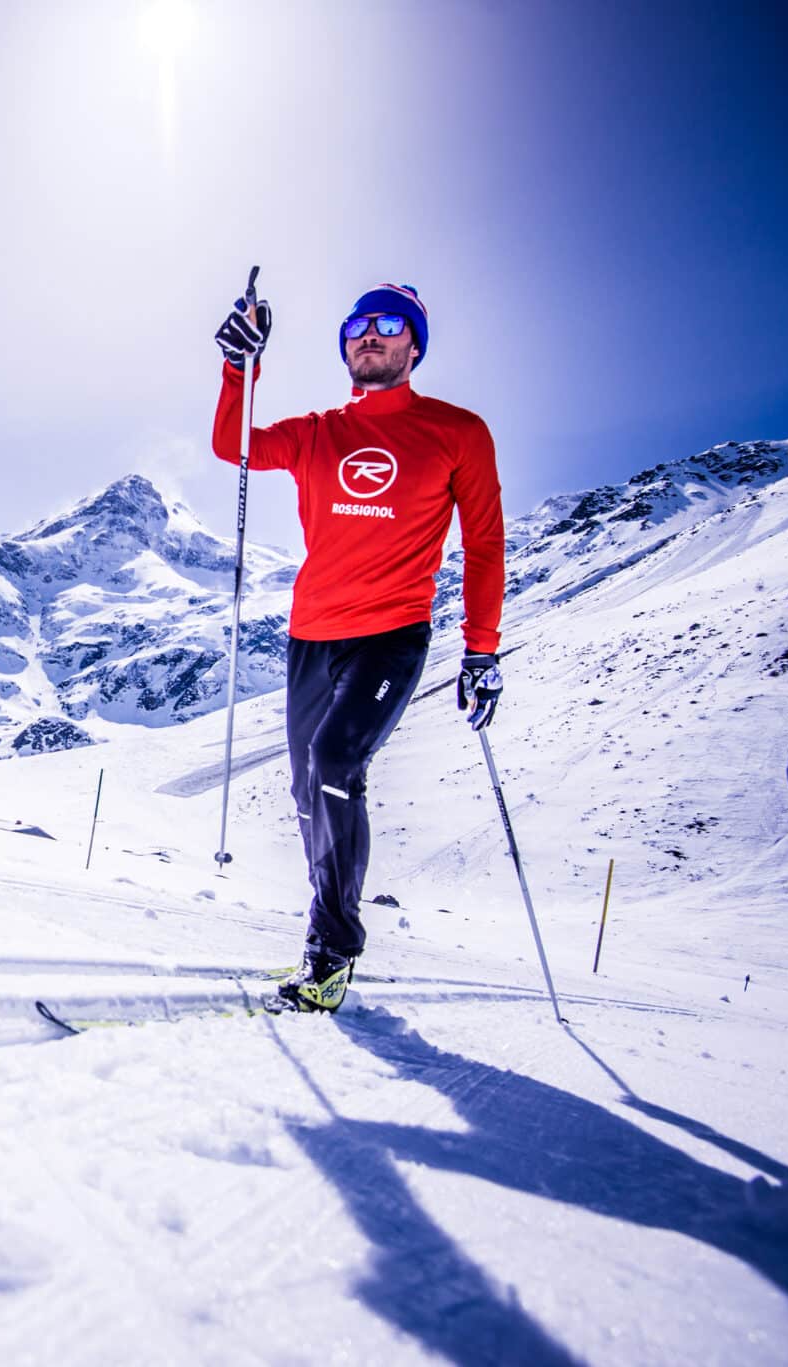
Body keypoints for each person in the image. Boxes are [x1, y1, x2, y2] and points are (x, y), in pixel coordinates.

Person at [211, 275, 506, 1012]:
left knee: (336, 762)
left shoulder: (457, 432)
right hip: (312, 635)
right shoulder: (316, 433)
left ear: (415, 345)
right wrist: (238, 367)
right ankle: (324, 929)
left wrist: (482, 648)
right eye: (357, 326)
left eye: (389, 324)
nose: (369, 334)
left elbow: (485, 543)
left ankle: (332, 951)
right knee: (307, 790)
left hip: (392, 634)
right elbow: (233, 446)